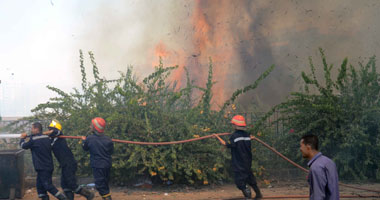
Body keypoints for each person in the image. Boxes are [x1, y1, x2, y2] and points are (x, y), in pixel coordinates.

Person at [44, 119, 95, 200]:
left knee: (71, 184)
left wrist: (43, 133)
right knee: (65, 186)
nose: (48, 131)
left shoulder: (59, 135)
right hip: (64, 165)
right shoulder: (52, 140)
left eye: (50, 129)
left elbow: (56, 132)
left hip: (69, 164)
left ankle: (88, 195)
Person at [20, 122, 68, 200]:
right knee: (40, 187)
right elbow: (40, 137)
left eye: (32, 128)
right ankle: (44, 197)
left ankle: (63, 198)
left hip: (42, 167)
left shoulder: (33, 139)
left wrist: (22, 138)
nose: (31, 130)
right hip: (47, 166)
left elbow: (23, 146)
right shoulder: (47, 138)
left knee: (48, 185)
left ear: (36, 129)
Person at [225, 115, 262, 200]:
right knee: (249, 177)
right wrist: (251, 138)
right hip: (247, 161)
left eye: (232, 124)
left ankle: (247, 196)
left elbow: (227, 144)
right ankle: (258, 194)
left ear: (235, 125)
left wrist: (216, 137)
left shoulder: (234, 136)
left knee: (240, 180)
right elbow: (244, 141)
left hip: (239, 162)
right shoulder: (247, 135)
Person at [82, 117, 114, 200]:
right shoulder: (108, 139)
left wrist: (83, 141)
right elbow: (111, 151)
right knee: (105, 184)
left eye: (91, 125)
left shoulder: (89, 138)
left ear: (95, 128)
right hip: (107, 164)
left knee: (101, 186)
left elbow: (85, 148)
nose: (90, 127)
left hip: (98, 165)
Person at [300, 134, 340, 200]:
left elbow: (318, 196)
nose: (300, 149)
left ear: (308, 147)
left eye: (301, 146)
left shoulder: (316, 167)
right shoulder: (329, 162)